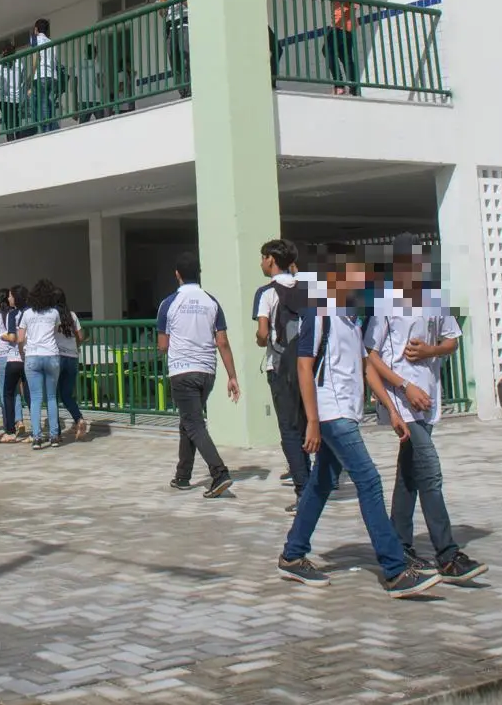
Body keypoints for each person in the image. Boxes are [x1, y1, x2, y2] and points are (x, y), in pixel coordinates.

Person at [277, 254, 439, 597]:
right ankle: (395, 570)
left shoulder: (351, 320)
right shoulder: (320, 312)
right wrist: (312, 422)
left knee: (321, 484)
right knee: (369, 480)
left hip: (347, 413)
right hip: (331, 414)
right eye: (354, 278)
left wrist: (391, 409)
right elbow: (305, 366)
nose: (361, 286)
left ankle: (293, 554)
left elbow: (366, 366)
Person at [367, 249, 487, 586]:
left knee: (409, 475)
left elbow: (451, 341)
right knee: (430, 474)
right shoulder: (385, 302)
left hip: (428, 401)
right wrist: (403, 387)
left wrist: (428, 351)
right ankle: (447, 554)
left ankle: (399, 543)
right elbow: (371, 357)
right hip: (402, 401)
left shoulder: (435, 298)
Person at [156, 257, 239, 498]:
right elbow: (222, 341)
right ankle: (183, 475)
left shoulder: (169, 303)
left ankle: (219, 472)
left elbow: (163, 345)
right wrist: (232, 376)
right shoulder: (211, 301)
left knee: (194, 423)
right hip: (207, 372)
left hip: (182, 370)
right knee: (189, 422)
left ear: (177, 274)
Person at [253, 239, 310, 504]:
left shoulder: (266, 293)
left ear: (271, 260)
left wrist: (259, 338)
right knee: (310, 422)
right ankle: (320, 480)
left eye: (263, 258)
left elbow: (264, 334)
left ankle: (303, 490)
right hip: (309, 365)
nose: (262, 262)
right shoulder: (306, 287)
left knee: (289, 428)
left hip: (280, 366)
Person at [18, 281, 67, 449]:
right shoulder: (54, 313)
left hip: (32, 355)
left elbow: (20, 338)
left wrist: (22, 352)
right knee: (52, 398)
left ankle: (37, 437)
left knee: (36, 399)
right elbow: (55, 332)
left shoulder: (27, 314)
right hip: (51, 355)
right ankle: (54, 436)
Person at [0, 287, 30, 442]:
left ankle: (9, 426)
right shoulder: (23, 313)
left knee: (6, 393)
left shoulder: (0, 316)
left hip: (4, 357)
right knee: (18, 391)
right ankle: (20, 420)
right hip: (22, 356)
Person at [313, 0, 359, 96]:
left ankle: (340, 85)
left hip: (342, 24)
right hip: (345, 23)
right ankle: (352, 88)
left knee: (327, 50)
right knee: (344, 55)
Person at [53, 286, 89, 442]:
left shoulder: (51, 315)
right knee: (67, 394)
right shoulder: (72, 315)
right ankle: (79, 419)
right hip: (72, 357)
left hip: (57, 356)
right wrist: (76, 346)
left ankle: (57, 431)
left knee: (52, 395)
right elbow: (80, 335)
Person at [158, 0, 190, 98]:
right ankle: (182, 91)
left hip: (184, 24)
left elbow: (188, 3)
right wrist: (161, 7)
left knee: (185, 55)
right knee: (174, 58)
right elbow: (163, 14)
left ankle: (190, 89)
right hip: (171, 27)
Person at [30, 20, 61, 134]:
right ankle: (53, 126)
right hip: (52, 76)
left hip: (41, 74)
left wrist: (31, 75)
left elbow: (35, 58)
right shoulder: (51, 42)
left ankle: (46, 129)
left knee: (41, 102)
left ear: (36, 29)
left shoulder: (35, 39)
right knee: (47, 101)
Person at [0, 40, 28, 139]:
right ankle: (16, 139)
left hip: (7, 97)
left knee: (10, 120)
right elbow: (22, 79)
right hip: (11, 97)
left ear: (3, 52)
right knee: (14, 119)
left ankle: (12, 140)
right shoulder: (18, 64)